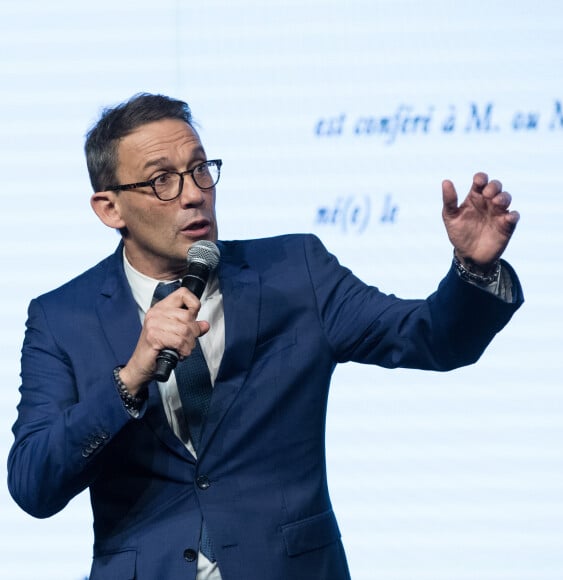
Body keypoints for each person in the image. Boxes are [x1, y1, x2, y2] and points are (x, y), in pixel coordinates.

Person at [8, 93, 523, 580]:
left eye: (199, 170)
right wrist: (130, 377)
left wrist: (473, 271)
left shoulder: (296, 271)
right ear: (109, 208)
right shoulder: (61, 317)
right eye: (162, 180)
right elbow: (34, 484)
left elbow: (431, 338)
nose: (192, 194)